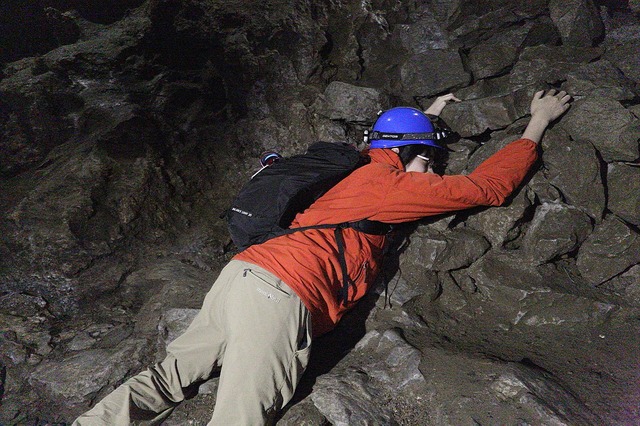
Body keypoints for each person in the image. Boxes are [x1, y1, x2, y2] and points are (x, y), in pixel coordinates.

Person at [73, 89, 571, 425]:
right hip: (282, 293)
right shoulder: (389, 185)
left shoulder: (356, 167)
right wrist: (537, 123)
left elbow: (396, 143)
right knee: (240, 416)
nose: (434, 169)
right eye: (430, 159)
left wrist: (431, 114)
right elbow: (487, 187)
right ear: (408, 155)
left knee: (169, 377)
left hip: (242, 276)